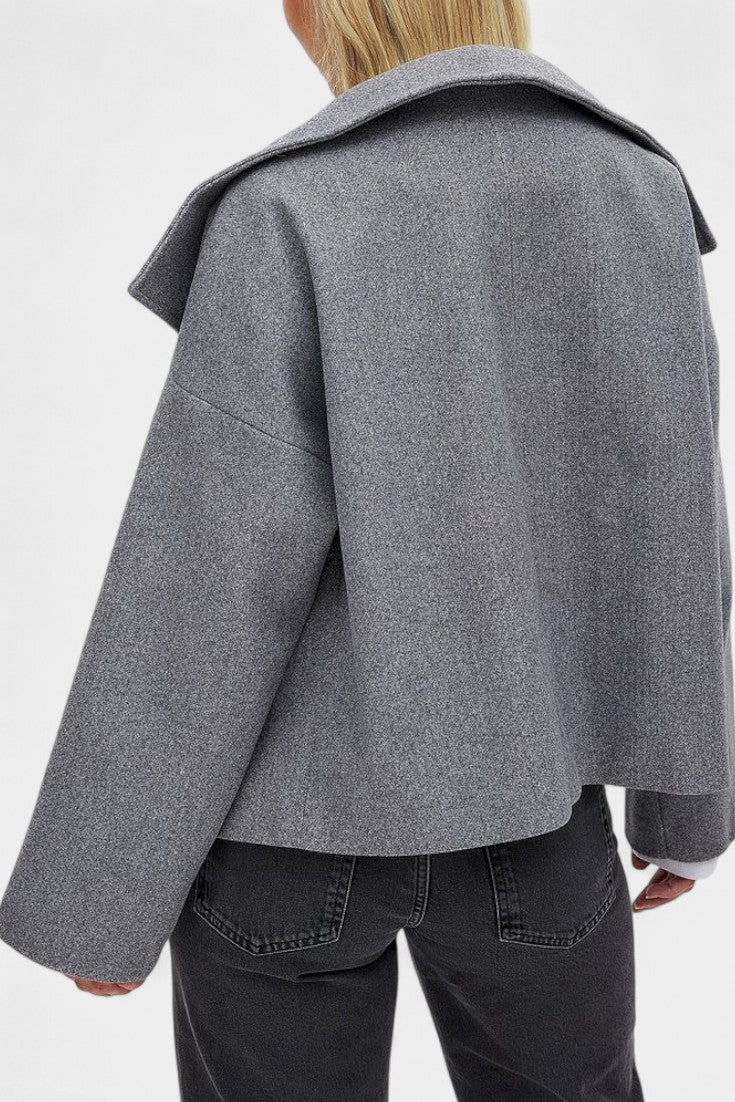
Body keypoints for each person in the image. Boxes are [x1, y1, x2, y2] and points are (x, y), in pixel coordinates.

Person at [1, 1, 733, 1098]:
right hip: (537, 815)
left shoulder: (288, 208)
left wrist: (109, 895)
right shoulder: (636, 188)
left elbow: (202, 579)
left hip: (290, 843)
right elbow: (671, 513)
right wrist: (689, 810)